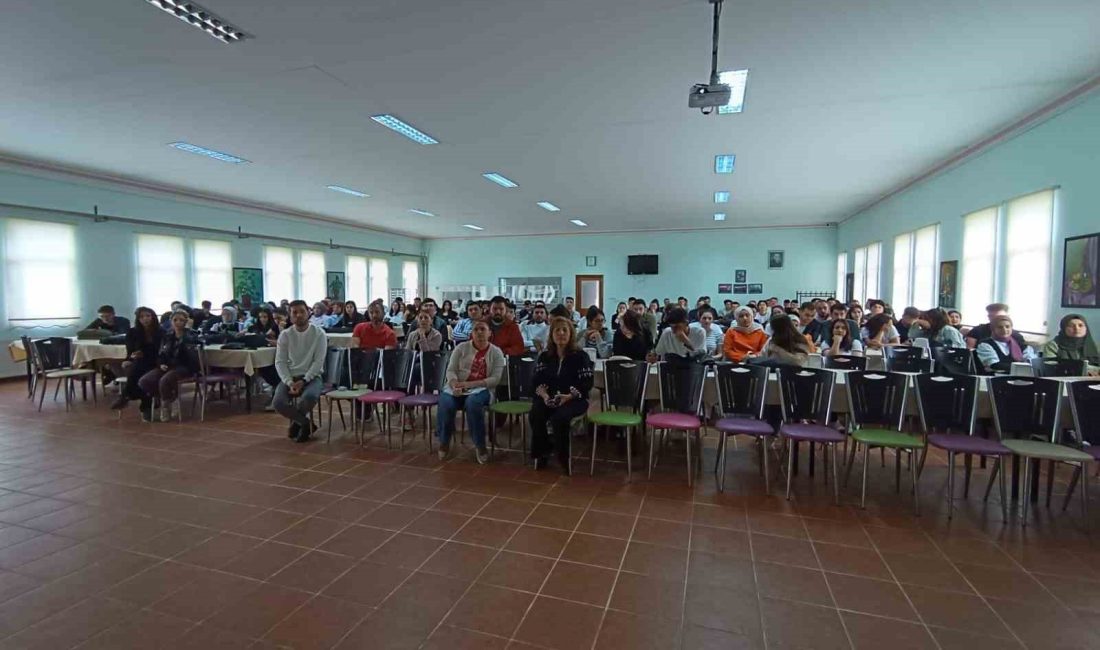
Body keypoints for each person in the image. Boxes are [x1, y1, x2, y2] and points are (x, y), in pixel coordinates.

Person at [530, 318, 593, 474]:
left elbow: (587, 384)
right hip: (549, 398)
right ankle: (543, 451)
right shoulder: (545, 356)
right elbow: (537, 380)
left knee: (560, 418)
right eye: (557, 330)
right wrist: (544, 395)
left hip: (574, 399)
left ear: (571, 333)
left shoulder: (580, 356)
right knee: (536, 413)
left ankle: (563, 457)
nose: (561, 333)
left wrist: (569, 396)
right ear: (551, 334)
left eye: (565, 330)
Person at [436, 321, 505, 463]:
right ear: (471, 333)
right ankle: (444, 441)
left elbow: (495, 379)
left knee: (473, 403)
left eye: (483, 329)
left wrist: (469, 384)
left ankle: (480, 446)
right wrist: (455, 384)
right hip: (457, 386)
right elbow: (451, 370)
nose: (479, 332)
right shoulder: (461, 348)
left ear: (489, 333)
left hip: (482, 389)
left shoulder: (496, 352)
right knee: (445, 402)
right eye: (476, 330)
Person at [272, 300, 328, 442]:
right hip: (290, 377)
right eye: (294, 312)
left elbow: (318, 362)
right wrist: (289, 382)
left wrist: (304, 381)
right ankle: (305, 423)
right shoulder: (285, 335)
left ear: (308, 313)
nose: (299, 315)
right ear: (290, 316)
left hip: (312, 377)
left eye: (302, 311)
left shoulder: (319, 334)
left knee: (308, 397)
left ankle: (296, 424)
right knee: (278, 402)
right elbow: (280, 362)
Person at [137, 309, 196, 422]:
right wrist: (161, 363)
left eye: (181, 320)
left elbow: (191, 354)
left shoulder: (192, 335)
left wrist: (186, 331)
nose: (178, 322)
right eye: (175, 320)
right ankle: (167, 397)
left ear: (186, 322)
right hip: (167, 365)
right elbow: (161, 353)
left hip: (184, 367)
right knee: (144, 381)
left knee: (164, 380)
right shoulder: (167, 335)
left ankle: (165, 407)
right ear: (171, 321)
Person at [110, 307, 162, 413]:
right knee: (138, 366)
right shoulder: (133, 332)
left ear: (153, 317)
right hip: (140, 360)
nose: (145, 319)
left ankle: (126, 395)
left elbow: (161, 351)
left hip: (157, 360)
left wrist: (143, 354)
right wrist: (132, 357)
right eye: (142, 317)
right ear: (138, 319)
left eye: (148, 316)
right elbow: (130, 351)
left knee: (139, 367)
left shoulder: (161, 332)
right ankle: (146, 404)